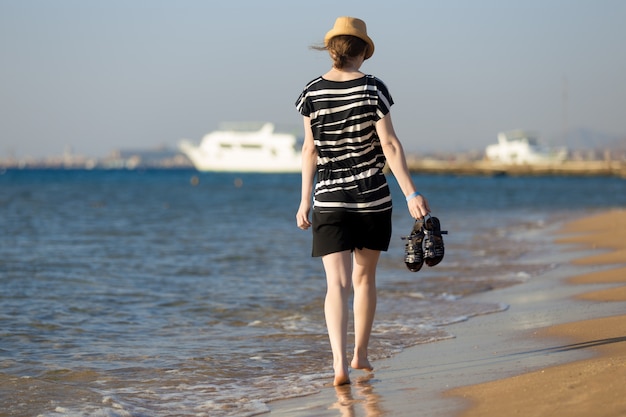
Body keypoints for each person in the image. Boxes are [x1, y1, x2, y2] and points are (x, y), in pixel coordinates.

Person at [295, 16, 431, 386]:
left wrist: (305, 200)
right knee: (364, 279)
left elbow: (309, 150)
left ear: (331, 50)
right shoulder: (374, 89)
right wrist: (411, 193)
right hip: (372, 199)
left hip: (329, 200)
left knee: (335, 285)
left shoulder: (311, 92)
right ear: (363, 53)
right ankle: (361, 355)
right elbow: (389, 145)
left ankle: (338, 364)